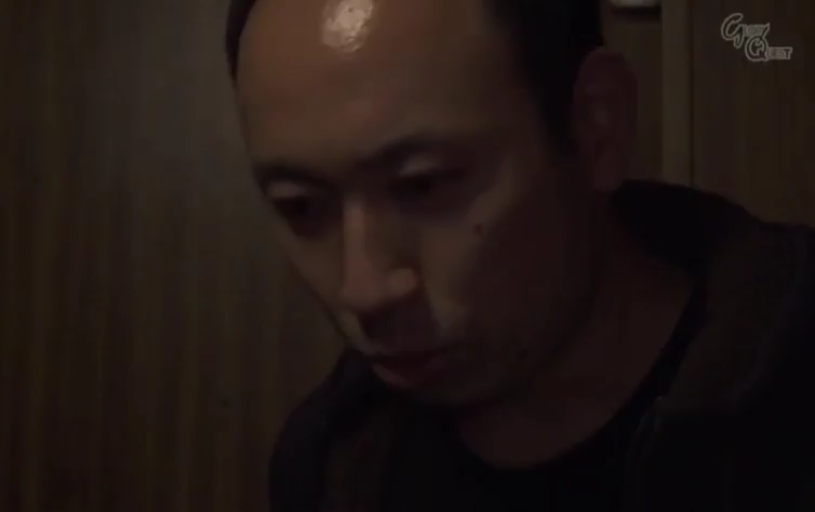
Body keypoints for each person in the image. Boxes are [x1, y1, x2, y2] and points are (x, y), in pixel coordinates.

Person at [224, 0, 815, 510]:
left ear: (596, 126)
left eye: (423, 184)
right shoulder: (333, 468)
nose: (364, 288)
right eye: (301, 207)